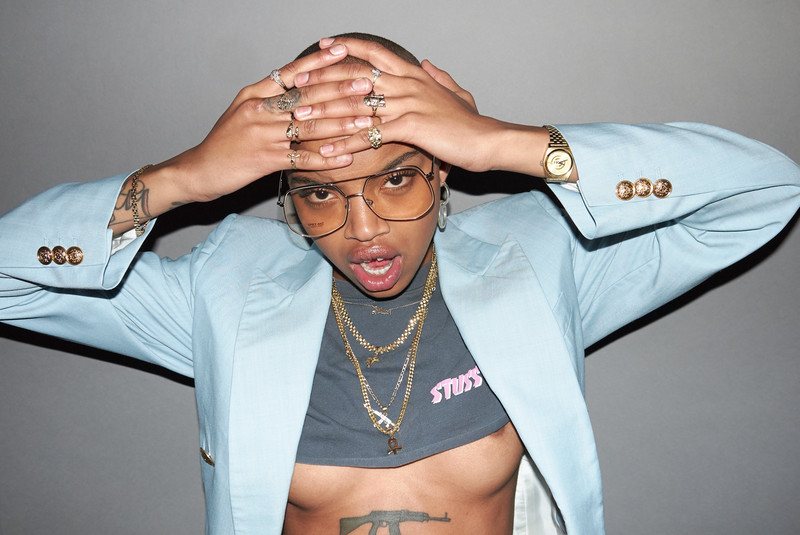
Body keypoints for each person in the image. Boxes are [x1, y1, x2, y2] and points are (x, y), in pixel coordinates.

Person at [1, 32, 798, 535]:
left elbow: (764, 193)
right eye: (320, 193)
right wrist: (178, 180)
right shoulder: (226, 294)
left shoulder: (536, 264)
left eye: (396, 178)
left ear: (442, 167)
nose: (364, 229)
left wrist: (504, 144)